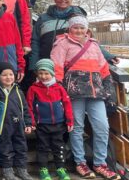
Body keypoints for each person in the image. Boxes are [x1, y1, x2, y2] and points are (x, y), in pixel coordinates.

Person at [50, 16, 119, 180]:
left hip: (95, 91)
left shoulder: (94, 45)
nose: (79, 31)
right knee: (76, 127)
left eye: (82, 28)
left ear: (87, 30)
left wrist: (108, 89)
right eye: (76, 28)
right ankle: (80, 162)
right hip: (73, 91)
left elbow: (103, 68)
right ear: (69, 29)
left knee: (102, 126)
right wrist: (58, 88)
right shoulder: (62, 44)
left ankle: (100, 163)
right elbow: (56, 66)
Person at [29, 0, 119, 88]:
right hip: (47, 66)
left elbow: (89, 42)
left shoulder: (78, 19)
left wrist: (108, 56)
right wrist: (34, 64)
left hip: (71, 69)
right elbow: (35, 41)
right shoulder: (44, 18)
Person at [26, 59, 74, 180]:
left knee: (59, 147)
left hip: (58, 124)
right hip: (42, 125)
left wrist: (69, 120)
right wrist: (31, 121)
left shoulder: (59, 88)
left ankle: (61, 168)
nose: (43, 76)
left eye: (46, 73)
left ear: (52, 73)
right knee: (42, 147)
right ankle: (43, 169)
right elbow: (29, 106)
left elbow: (67, 104)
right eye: (40, 73)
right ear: (37, 74)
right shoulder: (33, 89)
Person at [0, 62, 33, 180]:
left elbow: (25, 108)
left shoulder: (18, 90)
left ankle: (21, 170)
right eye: (4, 75)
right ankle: (7, 172)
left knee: (21, 147)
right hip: (3, 125)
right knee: (5, 148)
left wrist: (28, 123)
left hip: (18, 124)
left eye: (11, 74)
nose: (8, 77)